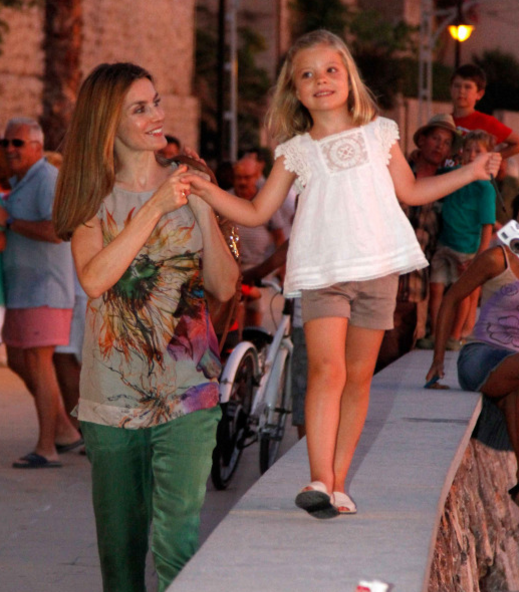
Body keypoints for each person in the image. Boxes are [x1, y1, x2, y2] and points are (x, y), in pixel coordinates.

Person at [182, 29, 502, 519]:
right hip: (322, 272)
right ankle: (317, 479)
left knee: (358, 377)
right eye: (307, 74)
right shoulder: (294, 150)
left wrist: (474, 171)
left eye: (330, 70)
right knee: (327, 371)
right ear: (295, 89)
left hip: (377, 270)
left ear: (349, 78)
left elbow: (413, 191)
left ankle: (338, 482)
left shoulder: (379, 132)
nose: (320, 80)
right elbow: (254, 211)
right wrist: (205, 190)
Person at [52, 63, 239, 591]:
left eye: (156, 102)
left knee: (178, 545)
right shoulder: (90, 197)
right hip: (112, 397)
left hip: (189, 393)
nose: (158, 116)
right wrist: (156, 207)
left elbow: (224, 288)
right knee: (121, 553)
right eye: (141, 108)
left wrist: (205, 210)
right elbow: (94, 279)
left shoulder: (189, 182)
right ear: (107, 122)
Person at [0, 117, 81, 468]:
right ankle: (63, 430)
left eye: (18, 143)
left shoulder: (47, 179)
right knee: (18, 359)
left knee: (39, 362)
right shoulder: (20, 182)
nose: (10, 150)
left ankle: (47, 447)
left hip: (45, 290)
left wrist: (8, 221)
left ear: (36, 146)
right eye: (6, 143)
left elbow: (57, 230)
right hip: (22, 292)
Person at [425, 243, 519, 508]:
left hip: (512, 368)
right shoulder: (497, 259)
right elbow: (452, 298)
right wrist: (438, 359)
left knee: (515, 395)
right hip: (480, 358)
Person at [378, 113, 461, 370]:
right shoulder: (393, 172)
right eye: (436, 138)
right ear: (421, 140)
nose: (440, 146)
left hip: (416, 291)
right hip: (382, 281)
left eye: (447, 143)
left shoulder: (448, 186)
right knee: (378, 362)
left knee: (400, 362)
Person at [426, 130, 497, 350]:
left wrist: (480, 257)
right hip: (445, 242)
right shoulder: (453, 173)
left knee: (462, 294)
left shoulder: (485, 187)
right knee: (436, 289)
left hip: (467, 249)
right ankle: (437, 333)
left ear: (488, 156)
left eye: (478, 151)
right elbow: (433, 173)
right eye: (468, 149)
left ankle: (454, 336)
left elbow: (487, 225)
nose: (471, 154)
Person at [232, 156, 286, 326]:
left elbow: (279, 236)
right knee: (234, 309)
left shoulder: (264, 201)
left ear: (256, 177)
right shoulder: (225, 197)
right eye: (239, 177)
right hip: (231, 264)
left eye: (247, 177)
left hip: (257, 266)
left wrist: (282, 270)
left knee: (256, 307)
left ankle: (253, 342)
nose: (242, 182)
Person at [451, 64, 519, 160]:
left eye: (467, 87)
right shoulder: (443, 121)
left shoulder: (486, 122)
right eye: (457, 86)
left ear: (479, 94)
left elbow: (517, 143)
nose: (461, 91)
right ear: (450, 88)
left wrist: (490, 159)